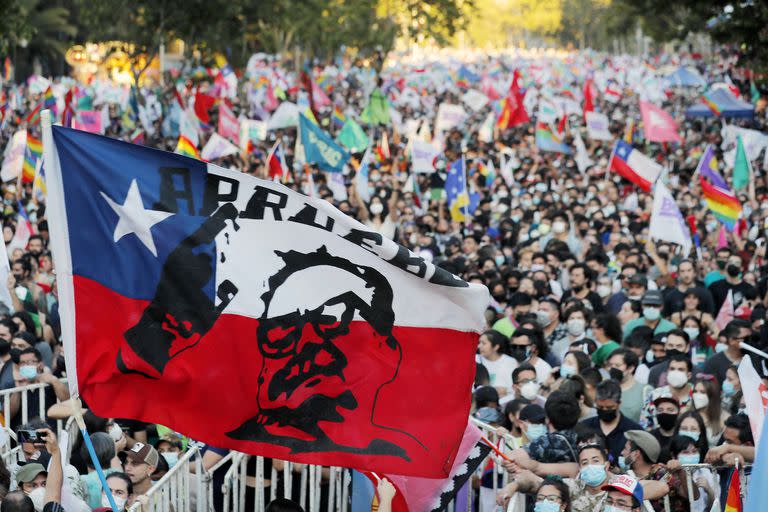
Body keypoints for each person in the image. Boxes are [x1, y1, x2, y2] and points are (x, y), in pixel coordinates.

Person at [578, 379, 642, 462]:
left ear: (619, 404)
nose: (605, 410)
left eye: (609, 407)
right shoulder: (584, 427)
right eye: (600, 407)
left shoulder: (634, 430)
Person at [641, 354, 693, 430]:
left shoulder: (698, 394)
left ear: (689, 375)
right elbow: (645, 425)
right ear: (667, 372)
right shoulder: (654, 395)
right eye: (672, 369)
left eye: (681, 369)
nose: (676, 373)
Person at [667, 435, 718, 512]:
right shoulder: (668, 475)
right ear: (673, 455)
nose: (691, 455)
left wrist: (709, 490)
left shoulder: (706, 473)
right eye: (685, 452)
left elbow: (715, 507)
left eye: (694, 451)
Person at [605, 348, 650, 423]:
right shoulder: (603, 388)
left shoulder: (645, 390)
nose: (612, 369)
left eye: (617, 365)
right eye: (610, 365)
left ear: (631, 368)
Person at [703, 320, 751, 384]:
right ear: (731, 340)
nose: (750, 341)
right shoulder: (713, 363)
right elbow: (711, 389)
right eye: (746, 338)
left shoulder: (754, 359)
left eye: (751, 337)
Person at [476, 330, 517, 396]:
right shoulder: (475, 359)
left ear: (496, 347)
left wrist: (505, 390)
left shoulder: (509, 362)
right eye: (479, 342)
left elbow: (514, 386)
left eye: (483, 343)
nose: (479, 346)